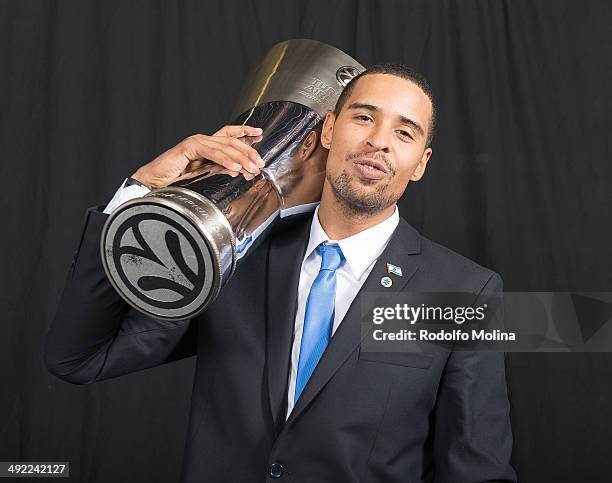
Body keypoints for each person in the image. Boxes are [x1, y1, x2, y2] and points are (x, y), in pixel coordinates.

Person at [45, 63, 517, 482]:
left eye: (405, 132)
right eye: (364, 117)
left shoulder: (462, 292)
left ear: (421, 164)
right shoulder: (233, 255)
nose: (378, 141)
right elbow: (81, 358)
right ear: (328, 131)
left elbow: (475, 467)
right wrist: (138, 196)